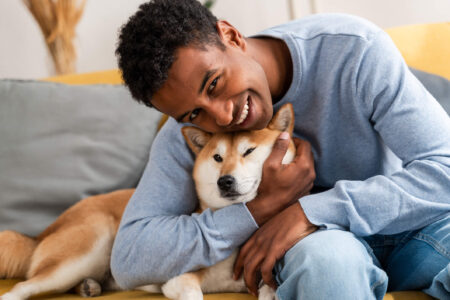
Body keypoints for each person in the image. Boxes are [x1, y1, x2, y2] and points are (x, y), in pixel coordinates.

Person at [110, 0, 450, 299]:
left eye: (215, 84)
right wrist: (258, 209)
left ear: (231, 36)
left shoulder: (353, 50)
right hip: (320, 248)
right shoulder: (188, 132)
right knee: (327, 264)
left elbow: (444, 166)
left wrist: (306, 211)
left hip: (411, 227)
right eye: (194, 113)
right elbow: (131, 256)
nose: (222, 116)